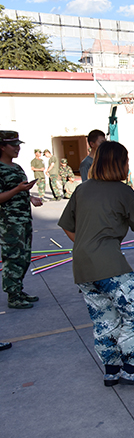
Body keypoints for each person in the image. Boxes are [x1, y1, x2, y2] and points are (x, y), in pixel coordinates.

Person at [58, 141, 134, 387]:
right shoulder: (124, 192)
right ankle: (130, 369)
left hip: (83, 267)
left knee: (104, 318)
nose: (128, 165)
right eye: (127, 161)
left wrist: (87, 245)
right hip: (110, 267)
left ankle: (111, 371)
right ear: (119, 163)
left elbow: (67, 226)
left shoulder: (82, 190)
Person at [0, 130, 43, 309]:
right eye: (13, 145)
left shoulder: (16, 167)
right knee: (13, 258)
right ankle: (13, 296)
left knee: (24, 257)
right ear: (2, 147)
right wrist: (17, 190)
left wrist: (30, 197)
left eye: (18, 145)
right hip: (9, 222)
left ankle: (18, 290)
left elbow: (20, 190)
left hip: (23, 219)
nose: (17, 148)